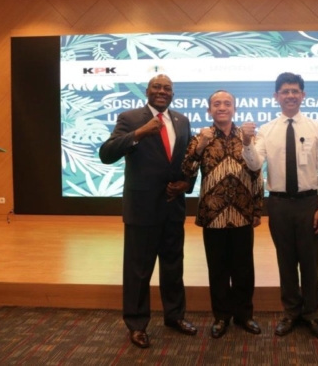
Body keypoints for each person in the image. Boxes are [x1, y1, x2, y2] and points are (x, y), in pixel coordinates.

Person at [99, 74, 197, 349]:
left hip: (173, 207)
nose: (162, 91)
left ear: (173, 94)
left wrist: (187, 183)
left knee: (173, 267)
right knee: (139, 271)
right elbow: (106, 154)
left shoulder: (182, 121)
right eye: (157, 87)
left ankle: (175, 316)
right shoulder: (130, 119)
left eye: (167, 88)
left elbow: (188, 160)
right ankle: (137, 324)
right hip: (142, 209)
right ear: (147, 91)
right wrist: (140, 133)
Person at [242, 72, 318, 339]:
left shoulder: (317, 128)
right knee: (286, 260)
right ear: (276, 96)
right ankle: (291, 312)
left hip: (309, 203)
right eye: (285, 91)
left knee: (310, 261)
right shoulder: (266, 130)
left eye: (295, 91)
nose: (290, 95)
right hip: (279, 204)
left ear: (303, 95)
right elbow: (255, 165)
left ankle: (311, 314)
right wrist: (246, 143)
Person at [182, 90, 264, 339]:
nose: (222, 107)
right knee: (217, 269)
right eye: (216, 104)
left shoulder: (247, 136)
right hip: (213, 214)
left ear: (234, 109)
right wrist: (201, 146)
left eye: (227, 103)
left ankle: (244, 315)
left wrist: (257, 208)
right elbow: (187, 170)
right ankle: (221, 317)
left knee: (244, 269)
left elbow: (257, 174)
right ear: (209, 110)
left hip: (242, 212)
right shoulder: (200, 138)